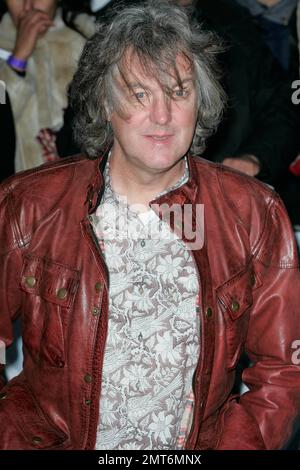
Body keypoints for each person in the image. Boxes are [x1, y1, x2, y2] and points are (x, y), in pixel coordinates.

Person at [0, 0, 300, 451]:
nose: (162, 115)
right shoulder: (30, 206)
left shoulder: (252, 214)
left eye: (178, 91)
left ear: (202, 101)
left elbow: (283, 369)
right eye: (139, 93)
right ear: (104, 103)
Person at [0, 0, 94, 174]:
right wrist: (17, 58)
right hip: (17, 189)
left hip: (82, 184)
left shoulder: (90, 35)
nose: (28, 6)